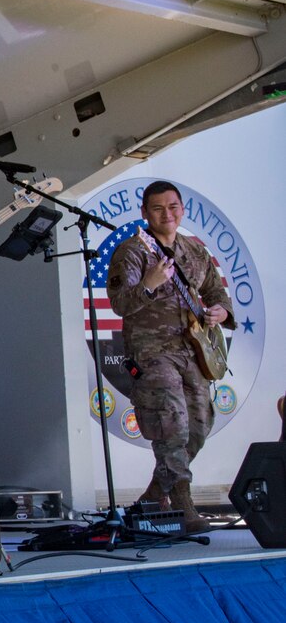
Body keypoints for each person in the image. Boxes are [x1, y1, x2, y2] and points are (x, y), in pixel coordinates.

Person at [105, 181, 234, 534]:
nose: (167, 214)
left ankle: (153, 493)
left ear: (182, 209)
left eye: (173, 207)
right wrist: (149, 282)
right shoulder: (132, 252)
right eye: (158, 208)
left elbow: (216, 291)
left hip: (192, 349)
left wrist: (220, 311)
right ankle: (182, 501)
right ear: (145, 213)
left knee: (199, 424)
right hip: (152, 352)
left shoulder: (194, 251)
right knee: (171, 425)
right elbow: (119, 304)